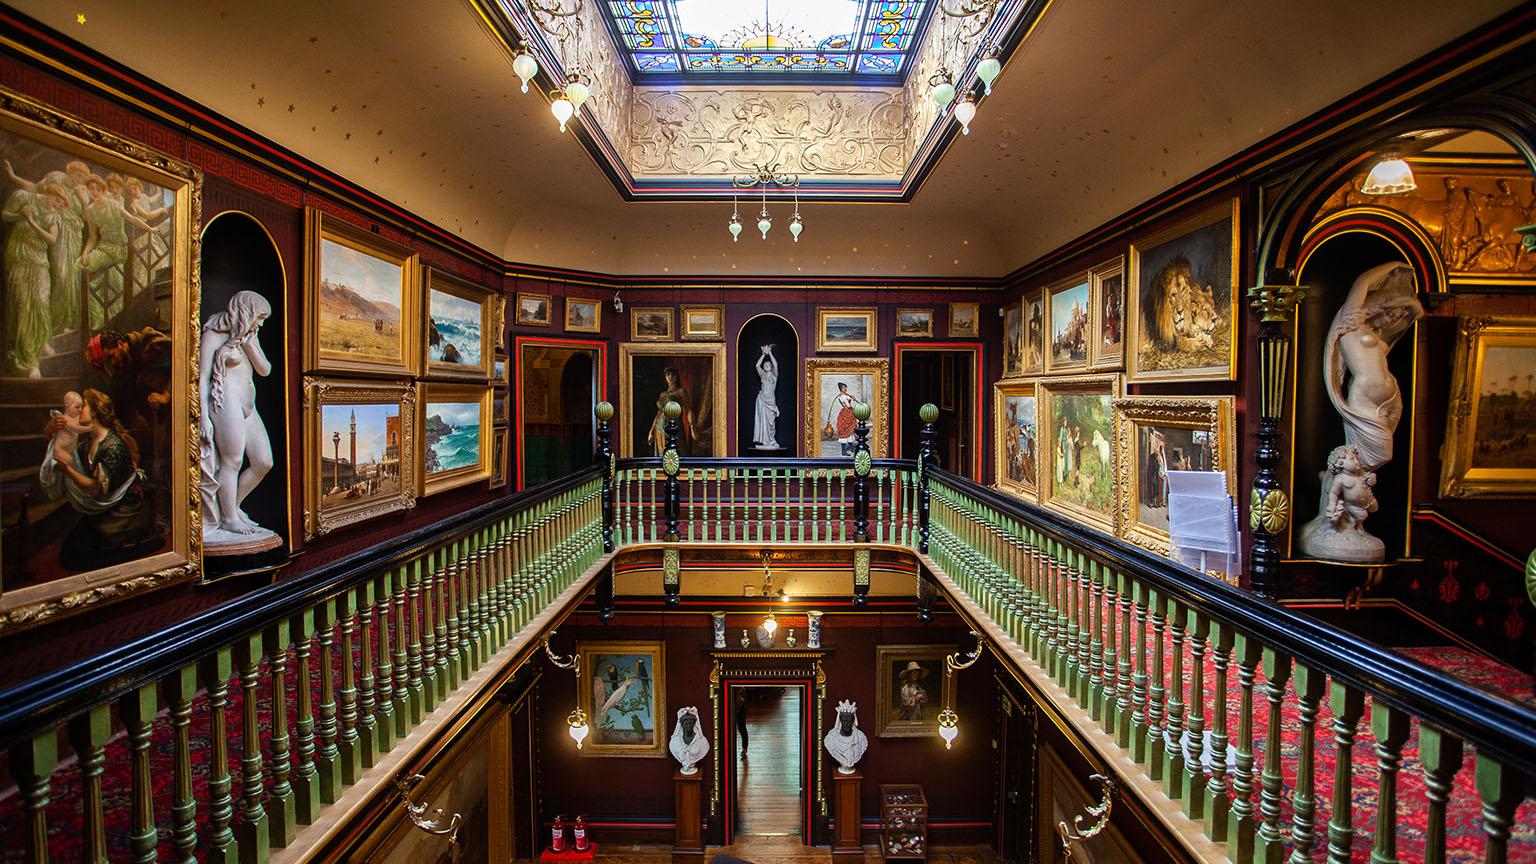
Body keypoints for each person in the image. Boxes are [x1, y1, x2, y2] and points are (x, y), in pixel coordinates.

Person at [39, 388, 160, 571]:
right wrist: (50, 432)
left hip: (125, 512)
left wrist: (68, 469)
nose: (78, 410)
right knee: (73, 548)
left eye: (83, 406)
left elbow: (96, 489)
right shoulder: (88, 442)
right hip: (106, 506)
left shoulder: (113, 446)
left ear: (95, 412)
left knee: (77, 553)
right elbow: (64, 450)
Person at [199, 290, 274, 537]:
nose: (261, 324)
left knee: (263, 462)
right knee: (232, 461)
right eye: (259, 317)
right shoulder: (213, 334)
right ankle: (229, 519)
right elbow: (202, 378)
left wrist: (250, 345)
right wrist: (203, 417)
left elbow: (265, 370)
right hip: (225, 401)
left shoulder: (250, 336)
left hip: (248, 406)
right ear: (247, 311)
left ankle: (232, 507)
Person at [3, 178, 67, 377]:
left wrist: (31, 221)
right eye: (57, 200)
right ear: (50, 192)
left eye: (60, 205)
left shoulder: (53, 216)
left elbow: (52, 240)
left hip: (39, 260)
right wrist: (19, 216)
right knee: (24, 306)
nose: (56, 206)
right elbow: (5, 215)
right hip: (19, 257)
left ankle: (42, 342)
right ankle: (30, 360)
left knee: (40, 301)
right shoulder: (24, 197)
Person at [650, 366, 695, 456]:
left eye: (672, 375)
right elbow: (659, 413)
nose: (670, 377)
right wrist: (651, 431)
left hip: (675, 426)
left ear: (677, 376)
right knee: (662, 455)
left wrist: (693, 428)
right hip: (660, 428)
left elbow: (689, 410)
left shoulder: (681, 392)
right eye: (668, 375)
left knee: (676, 454)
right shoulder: (662, 394)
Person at [752, 345, 779, 448]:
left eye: (769, 364)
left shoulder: (774, 376)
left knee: (771, 424)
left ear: (771, 367)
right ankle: (764, 442)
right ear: (764, 367)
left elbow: (775, 364)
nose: (767, 365)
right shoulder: (762, 375)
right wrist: (763, 354)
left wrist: (770, 353)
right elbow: (757, 365)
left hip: (771, 402)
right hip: (762, 400)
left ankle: (771, 441)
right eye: (765, 364)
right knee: (763, 423)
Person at [826, 381, 862, 456]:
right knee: (845, 431)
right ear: (840, 389)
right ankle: (843, 451)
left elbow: (853, 402)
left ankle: (851, 448)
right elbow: (848, 406)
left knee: (850, 431)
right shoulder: (843, 397)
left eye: (845, 387)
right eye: (843, 388)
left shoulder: (845, 396)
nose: (845, 389)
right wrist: (851, 400)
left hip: (848, 414)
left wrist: (853, 398)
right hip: (846, 414)